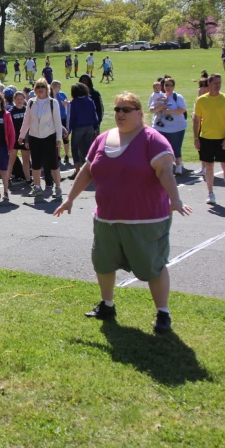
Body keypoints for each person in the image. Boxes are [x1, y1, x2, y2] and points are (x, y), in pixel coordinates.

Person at [54, 92, 193, 335]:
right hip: (107, 218)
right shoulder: (104, 138)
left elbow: (165, 172)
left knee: (153, 266)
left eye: (126, 110)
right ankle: (107, 305)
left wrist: (175, 199)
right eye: (117, 109)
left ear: (140, 113)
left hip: (146, 220)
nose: (120, 114)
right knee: (103, 263)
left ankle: (163, 313)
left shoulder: (153, 140)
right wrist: (69, 198)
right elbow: (87, 171)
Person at [193, 74, 225, 205]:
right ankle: (210, 193)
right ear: (209, 83)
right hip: (206, 137)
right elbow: (196, 120)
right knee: (209, 166)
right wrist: (196, 138)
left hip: (222, 138)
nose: (218, 85)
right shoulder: (201, 100)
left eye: (220, 82)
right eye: (216, 83)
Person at [19, 79, 64, 199]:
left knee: (53, 163)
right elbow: (26, 121)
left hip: (49, 136)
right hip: (35, 137)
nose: (40, 89)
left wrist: (58, 139)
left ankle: (58, 187)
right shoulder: (31, 103)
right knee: (36, 163)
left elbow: (58, 122)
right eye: (38, 87)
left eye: (42, 87)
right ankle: (37, 187)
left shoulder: (52, 103)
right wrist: (22, 135)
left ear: (47, 89)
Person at [149, 77, 188, 175]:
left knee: (175, 147)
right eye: (166, 85)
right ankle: (162, 167)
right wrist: (159, 107)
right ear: (163, 86)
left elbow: (183, 109)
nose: (168, 87)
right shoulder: (157, 96)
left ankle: (178, 166)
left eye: (170, 85)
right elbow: (151, 109)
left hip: (176, 128)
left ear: (174, 86)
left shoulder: (177, 97)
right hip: (159, 128)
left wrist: (170, 111)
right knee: (159, 148)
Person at [66, 82, 99, 180]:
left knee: (75, 149)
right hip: (89, 127)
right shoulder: (90, 100)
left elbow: (70, 117)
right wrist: (95, 127)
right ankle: (90, 171)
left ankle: (77, 171)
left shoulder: (73, 103)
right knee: (88, 149)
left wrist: (68, 130)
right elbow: (95, 114)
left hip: (78, 128)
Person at [7, 91, 32, 186]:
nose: (20, 101)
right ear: (14, 100)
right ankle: (7, 179)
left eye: (21, 99)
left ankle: (28, 179)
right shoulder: (11, 111)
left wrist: (28, 138)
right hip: (14, 139)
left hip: (25, 138)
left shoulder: (27, 110)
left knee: (26, 159)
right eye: (17, 99)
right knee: (11, 160)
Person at [52, 80, 70, 165]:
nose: (60, 88)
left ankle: (67, 155)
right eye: (58, 86)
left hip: (64, 117)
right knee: (57, 138)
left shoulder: (62, 94)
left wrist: (66, 102)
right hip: (55, 119)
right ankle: (57, 155)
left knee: (65, 137)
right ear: (54, 87)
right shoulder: (51, 95)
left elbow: (68, 101)